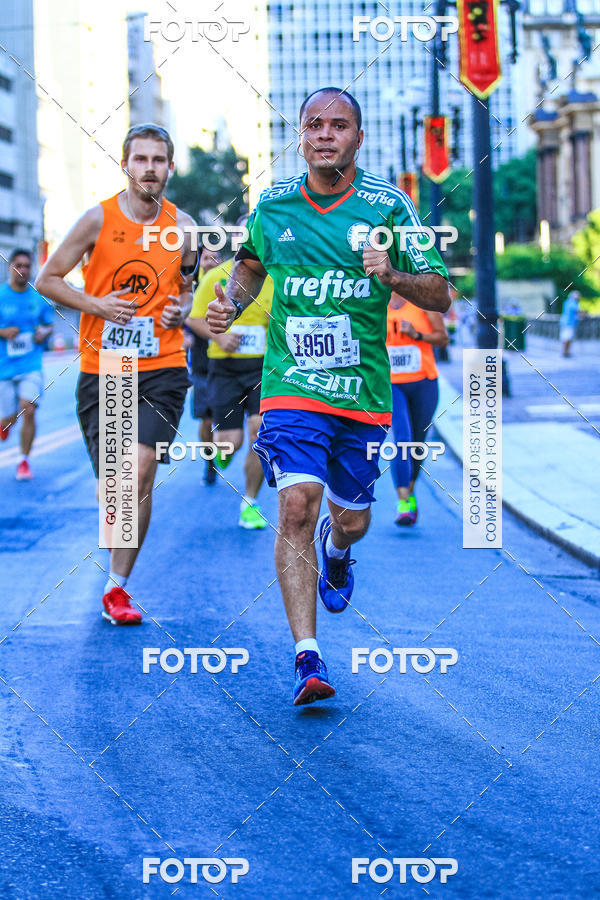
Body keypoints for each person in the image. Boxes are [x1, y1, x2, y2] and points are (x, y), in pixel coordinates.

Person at [207, 87, 450, 705]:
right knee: (296, 506)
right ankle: (307, 658)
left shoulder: (388, 207)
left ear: (357, 139)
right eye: (313, 124)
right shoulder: (274, 204)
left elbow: (440, 294)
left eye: (337, 125)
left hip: (362, 394)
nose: (323, 134)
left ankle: (338, 552)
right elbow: (250, 264)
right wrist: (230, 302)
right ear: (300, 136)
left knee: (353, 520)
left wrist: (390, 274)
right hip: (291, 384)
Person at [36, 123, 196, 625]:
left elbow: (189, 287)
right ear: (126, 164)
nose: (150, 168)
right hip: (105, 368)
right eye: (141, 159)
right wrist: (96, 305)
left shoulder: (184, 226)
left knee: (140, 468)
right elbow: (47, 279)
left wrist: (181, 309)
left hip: (163, 368)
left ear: (170, 167)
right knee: (118, 486)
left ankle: (117, 587)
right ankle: (117, 559)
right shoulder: (96, 220)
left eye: (159, 159)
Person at [189, 227, 274, 529]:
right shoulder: (217, 277)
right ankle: (219, 455)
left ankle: (250, 502)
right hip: (224, 368)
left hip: (261, 368)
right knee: (230, 442)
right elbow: (193, 317)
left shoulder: (272, 279)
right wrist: (219, 337)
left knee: (259, 431)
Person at [386, 293, 449, 526]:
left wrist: (416, 335)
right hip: (391, 384)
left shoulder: (423, 302)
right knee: (402, 439)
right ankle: (403, 502)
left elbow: (443, 339)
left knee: (417, 443)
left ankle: (410, 492)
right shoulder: (378, 303)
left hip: (423, 381)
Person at [0, 249, 54, 479]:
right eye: (18, 265)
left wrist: (44, 332)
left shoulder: (37, 297)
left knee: (29, 409)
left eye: (26, 266)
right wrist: (2, 331)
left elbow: (49, 324)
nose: (22, 270)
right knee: (7, 418)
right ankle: (5, 424)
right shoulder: (1, 295)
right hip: (4, 368)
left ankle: (23, 461)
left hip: (31, 365)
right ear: (10, 267)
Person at [185, 245, 223, 485]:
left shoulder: (229, 285)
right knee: (207, 419)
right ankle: (209, 463)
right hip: (201, 362)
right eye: (206, 258)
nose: (211, 262)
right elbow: (179, 314)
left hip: (230, 361)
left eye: (215, 257)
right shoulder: (191, 289)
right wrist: (183, 335)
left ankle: (228, 445)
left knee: (231, 421)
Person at [560, 290, 580, 358]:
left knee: (565, 338)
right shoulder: (573, 302)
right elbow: (577, 311)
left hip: (564, 322)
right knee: (568, 338)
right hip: (569, 323)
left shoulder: (567, 302)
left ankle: (565, 352)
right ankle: (566, 352)